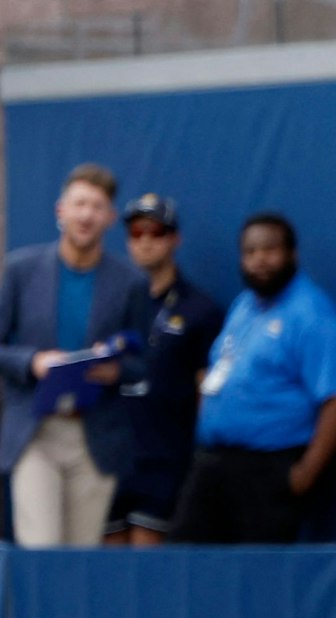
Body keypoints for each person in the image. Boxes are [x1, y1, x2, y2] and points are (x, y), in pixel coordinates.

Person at [168, 213, 336, 544]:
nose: (259, 260)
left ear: (292, 255)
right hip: (214, 464)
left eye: (270, 250)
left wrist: (304, 474)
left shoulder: (311, 313)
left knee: (258, 579)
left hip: (268, 468)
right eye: (250, 252)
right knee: (186, 565)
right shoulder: (244, 306)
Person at [0, 163, 141, 546]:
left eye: (97, 206)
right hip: (35, 431)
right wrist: (32, 362)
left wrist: (113, 371)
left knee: (80, 560)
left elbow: (141, 363)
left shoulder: (129, 281)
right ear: (61, 211)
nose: (86, 214)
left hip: (95, 435)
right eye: (80, 203)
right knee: (40, 550)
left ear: (109, 217)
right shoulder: (22, 268)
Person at [106, 194, 224, 546]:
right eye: (136, 232)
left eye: (156, 231)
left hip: (165, 460)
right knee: (102, 570)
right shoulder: (109, 304)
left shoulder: (200, 309)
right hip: (108, 458)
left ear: (175, 238)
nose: (145, 240)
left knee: (149, 569)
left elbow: (208, 389)